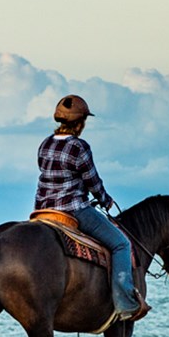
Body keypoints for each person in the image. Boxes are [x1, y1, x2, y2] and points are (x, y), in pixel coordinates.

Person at [35, 94, 147, 322]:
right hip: (72, 210)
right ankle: (125, 304)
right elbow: (93, 182)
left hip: (43, 210)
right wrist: (105, 200)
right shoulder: (79, 147)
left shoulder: (45, 144)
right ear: (80, 123)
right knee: (120, 244)